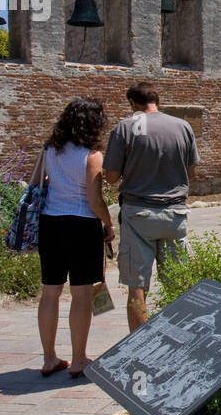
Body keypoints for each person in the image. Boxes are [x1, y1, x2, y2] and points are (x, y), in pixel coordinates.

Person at [103, 82, 199, 332]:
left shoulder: (125, 127)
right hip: (175, 213)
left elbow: (111, 176)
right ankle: (184, 339)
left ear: (133, 104)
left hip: (139, 214)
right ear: (157, 101)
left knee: (137, 287)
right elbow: (191, 171)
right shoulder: (183, 126)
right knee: (178, 283)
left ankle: (139, 347)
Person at [33, 97, 114, 378]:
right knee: (80, 294)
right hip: (81, 225)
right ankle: (79, 359)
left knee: (50, 291)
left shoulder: (49, 150)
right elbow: (94, 200)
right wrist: (109, 222)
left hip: (50, 224)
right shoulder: (92, 155)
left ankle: (49, 358)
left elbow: (37, 184)